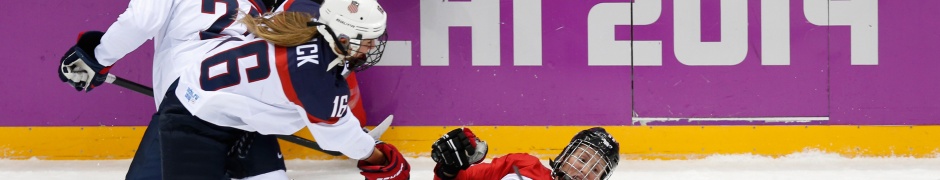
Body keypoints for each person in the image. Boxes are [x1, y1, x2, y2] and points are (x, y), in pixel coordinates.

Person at [57, 0, 406, 179]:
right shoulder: (275, 12)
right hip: (205, 111)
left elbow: (137, 22)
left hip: (204, 97)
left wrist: (97, 57)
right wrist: (368, 150)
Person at [431, 127, 620, 180]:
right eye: (582, 158)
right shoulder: (521, 165)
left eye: (596, 169)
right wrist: (449, 170)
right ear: (565, 156)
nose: (585, 170)